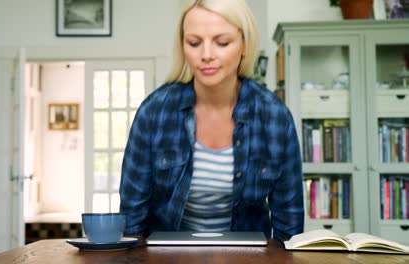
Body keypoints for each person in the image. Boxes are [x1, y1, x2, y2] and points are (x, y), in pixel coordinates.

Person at [119, 0, 303, 241]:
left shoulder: (275, 118)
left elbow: (289, 225)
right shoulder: (154, 112)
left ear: (244, 45)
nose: (206, 55)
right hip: (167, 259)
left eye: (222, 42)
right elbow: (132, 216)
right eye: (194, 43)